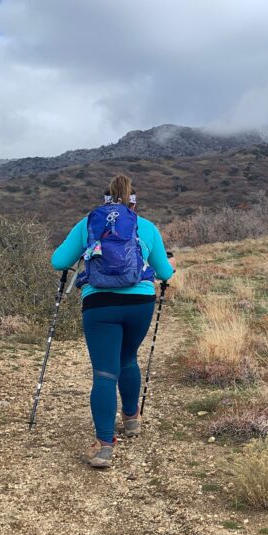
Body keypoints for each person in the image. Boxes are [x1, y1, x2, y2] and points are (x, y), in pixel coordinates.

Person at [51, 174, 175, 468]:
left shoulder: (89, 224)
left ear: (104, 200)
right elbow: (165, 272)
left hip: (99, 304)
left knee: (105, 373)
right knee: (128, 359)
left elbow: (58, 261)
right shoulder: (146, 227)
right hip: (140, 303)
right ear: (134, 201)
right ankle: (132, 419)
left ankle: (105, 446)